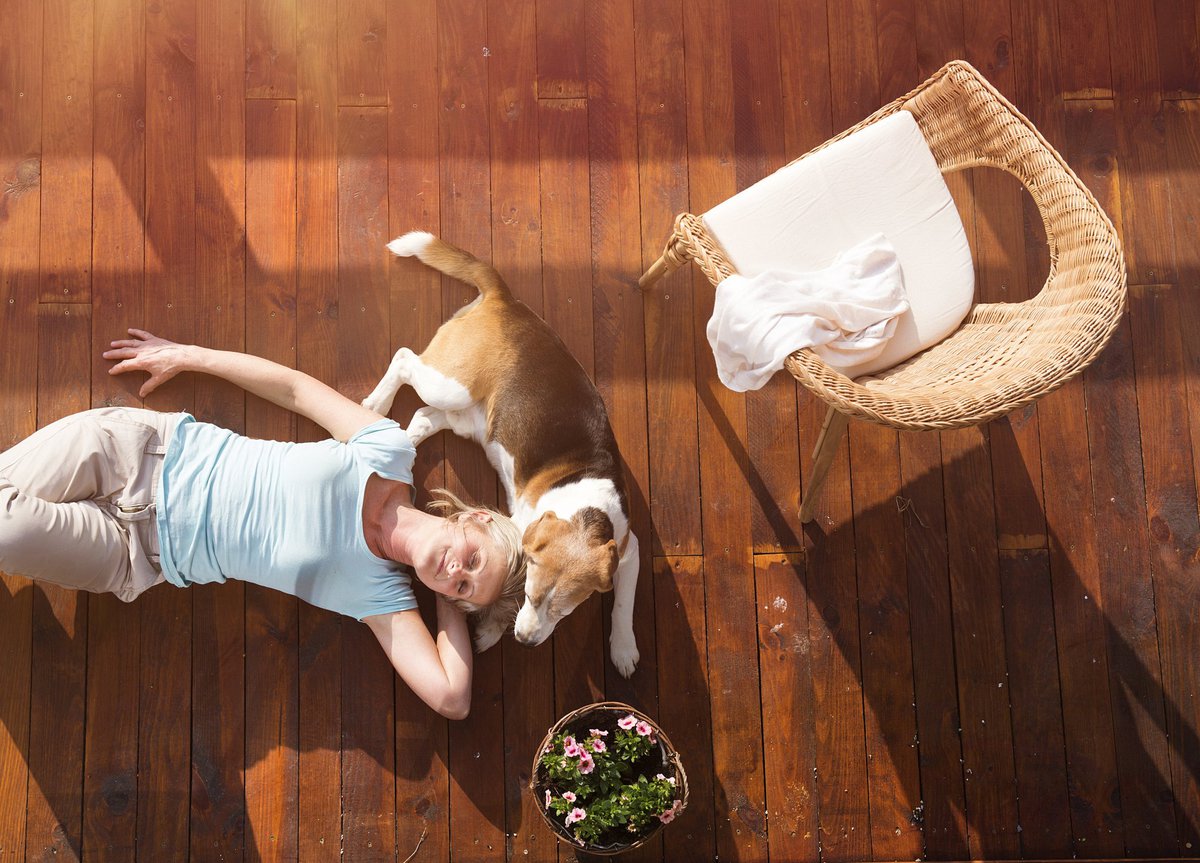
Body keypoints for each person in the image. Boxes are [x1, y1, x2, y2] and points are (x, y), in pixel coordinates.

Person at [0, 329, 525, 719]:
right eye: (473, 558)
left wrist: (445, 602)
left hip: (132, 550)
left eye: (462, 587)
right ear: (472, 518)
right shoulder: (387, 450)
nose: (457, 569)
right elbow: (295, 389)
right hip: (137, 451)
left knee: (6, 530)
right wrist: (189, 356)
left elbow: (452, 698)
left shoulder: (381, 598)